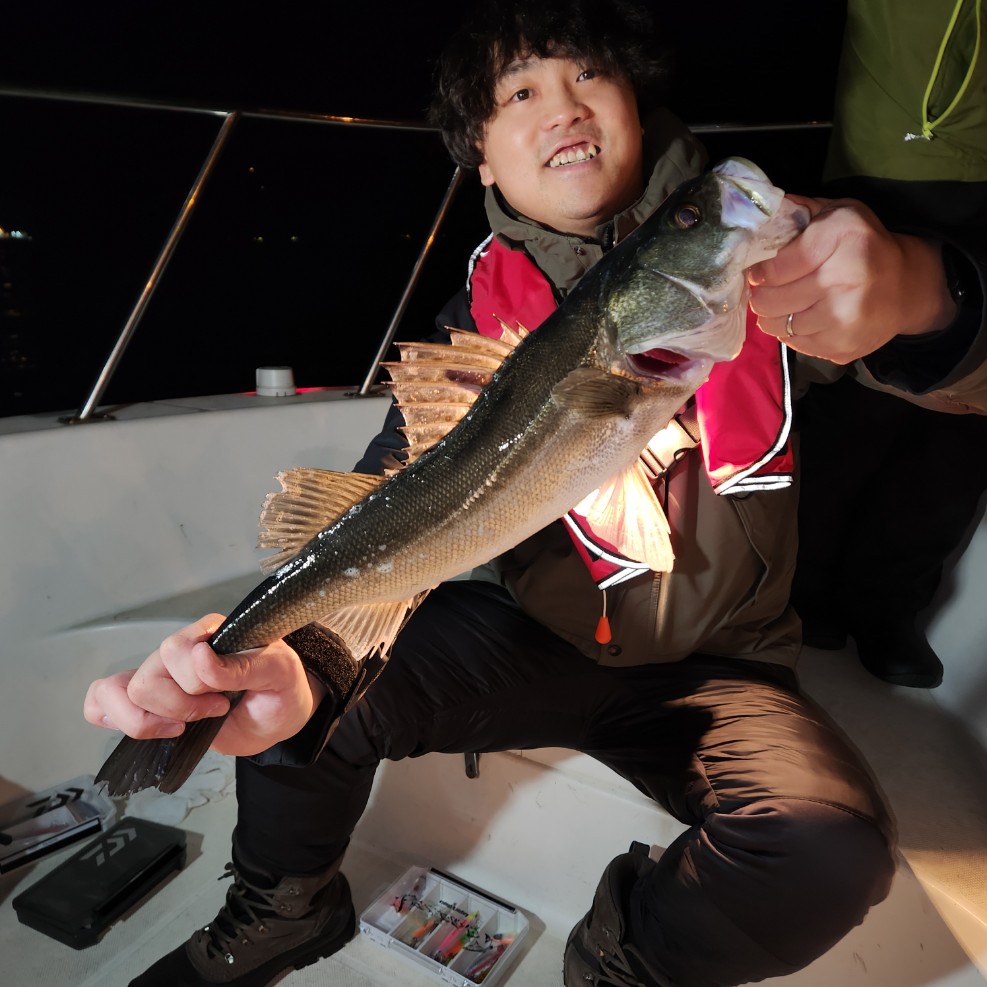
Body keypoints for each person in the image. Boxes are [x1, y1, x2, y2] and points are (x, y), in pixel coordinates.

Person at [83, 2, 987, 985]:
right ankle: (280, 910)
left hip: (719, 667)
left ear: (637, 108)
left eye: (590, 75)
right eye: (519, 92)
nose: (564, 108)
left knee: (827, 849)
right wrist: (303, 669)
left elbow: (960, 380)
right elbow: (391, 493)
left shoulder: (776, 274)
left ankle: (618, 957)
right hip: (519, 638)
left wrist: (922, 295)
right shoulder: (468, 324)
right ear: (480, 156)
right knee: (297, 679)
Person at [789, 0, 987, 688]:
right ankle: (803, 583)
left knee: (966, 429)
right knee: (863, 391)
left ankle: (890, 605)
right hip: (894, 139)